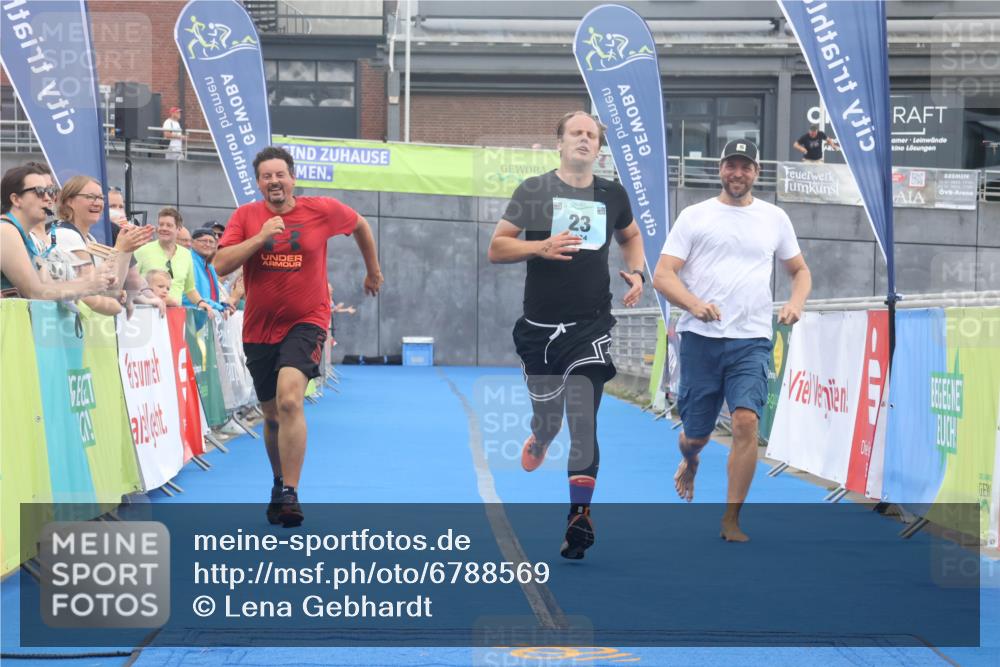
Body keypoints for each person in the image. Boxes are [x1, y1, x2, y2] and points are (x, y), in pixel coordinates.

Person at [487, 111, 645, 559]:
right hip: (539, 331)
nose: (583, 139)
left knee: (583, 417)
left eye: (591, 135)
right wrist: (540, 246)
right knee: (550, 420)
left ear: (598, 148)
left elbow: (630, 235)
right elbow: (497, 247)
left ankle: (579, 516)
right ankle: (540, 436)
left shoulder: (611, 194)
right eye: (575, 133)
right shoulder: (535, 191)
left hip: (590, 326)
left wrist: (635, 272)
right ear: (559, 142)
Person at [214, 146, 383, 528]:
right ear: (259, 183)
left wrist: (372, 271)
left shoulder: (321, 210)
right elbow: (222, 265)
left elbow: (360, 225)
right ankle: (278, 483)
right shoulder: (247, 217)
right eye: (266, 176)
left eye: (280, 174)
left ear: (292, 178)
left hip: (307, 320)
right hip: (259, 328)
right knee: (272, 415)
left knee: (291, 400)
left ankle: (291, 492)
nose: (274, 181)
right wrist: (258, 239)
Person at [652, 139, 812, 542]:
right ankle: (690, 460)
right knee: (696, 436)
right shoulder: (695, 216)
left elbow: (800, 271)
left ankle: (731, 520)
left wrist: (796, 304)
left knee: (746, 422)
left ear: (757, 172)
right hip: (701, 340)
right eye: (731, 166)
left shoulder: (774, 218)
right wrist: (694, 303)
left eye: (746, 167)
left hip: (752, 339)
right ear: (720, 169)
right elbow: (663, 274)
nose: (737, 174)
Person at [1, 164, 114, 300]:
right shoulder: (5, 231)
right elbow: (35, 291)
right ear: (16, 199)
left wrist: (95, 279)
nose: (48, 198)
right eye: (39, 191)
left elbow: (49, 286)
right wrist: (89, 285)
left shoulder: (24, 236)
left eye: (51, 191)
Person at [54, 176, 151, 317]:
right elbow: (95, 289)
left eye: (100, 198)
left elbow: (112, 291)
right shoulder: (66, 234)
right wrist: (120, 249)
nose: (97, 203)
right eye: (90, 197)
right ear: (69, 201)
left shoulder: (89, 239)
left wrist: (127, 250)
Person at [134, 207, 215, 315]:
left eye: (169, 225)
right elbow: (131, 284)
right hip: (147, 316)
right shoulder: (142, 251)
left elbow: (190, 289)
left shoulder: (186, 255)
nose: (163, 228)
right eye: (161, 224)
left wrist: (201, 302)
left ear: (178, 228)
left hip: (175, 317)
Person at [184, 228, 232, 314]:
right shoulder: (188, 261)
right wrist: (218, 306)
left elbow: (209, 298)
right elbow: (185, 296)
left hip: (205, 319)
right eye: (204, 241)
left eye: (211, 242)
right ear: (192, 242)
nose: (208, 244)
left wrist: (221, 305)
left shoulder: (209, 266)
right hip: (189, 318)